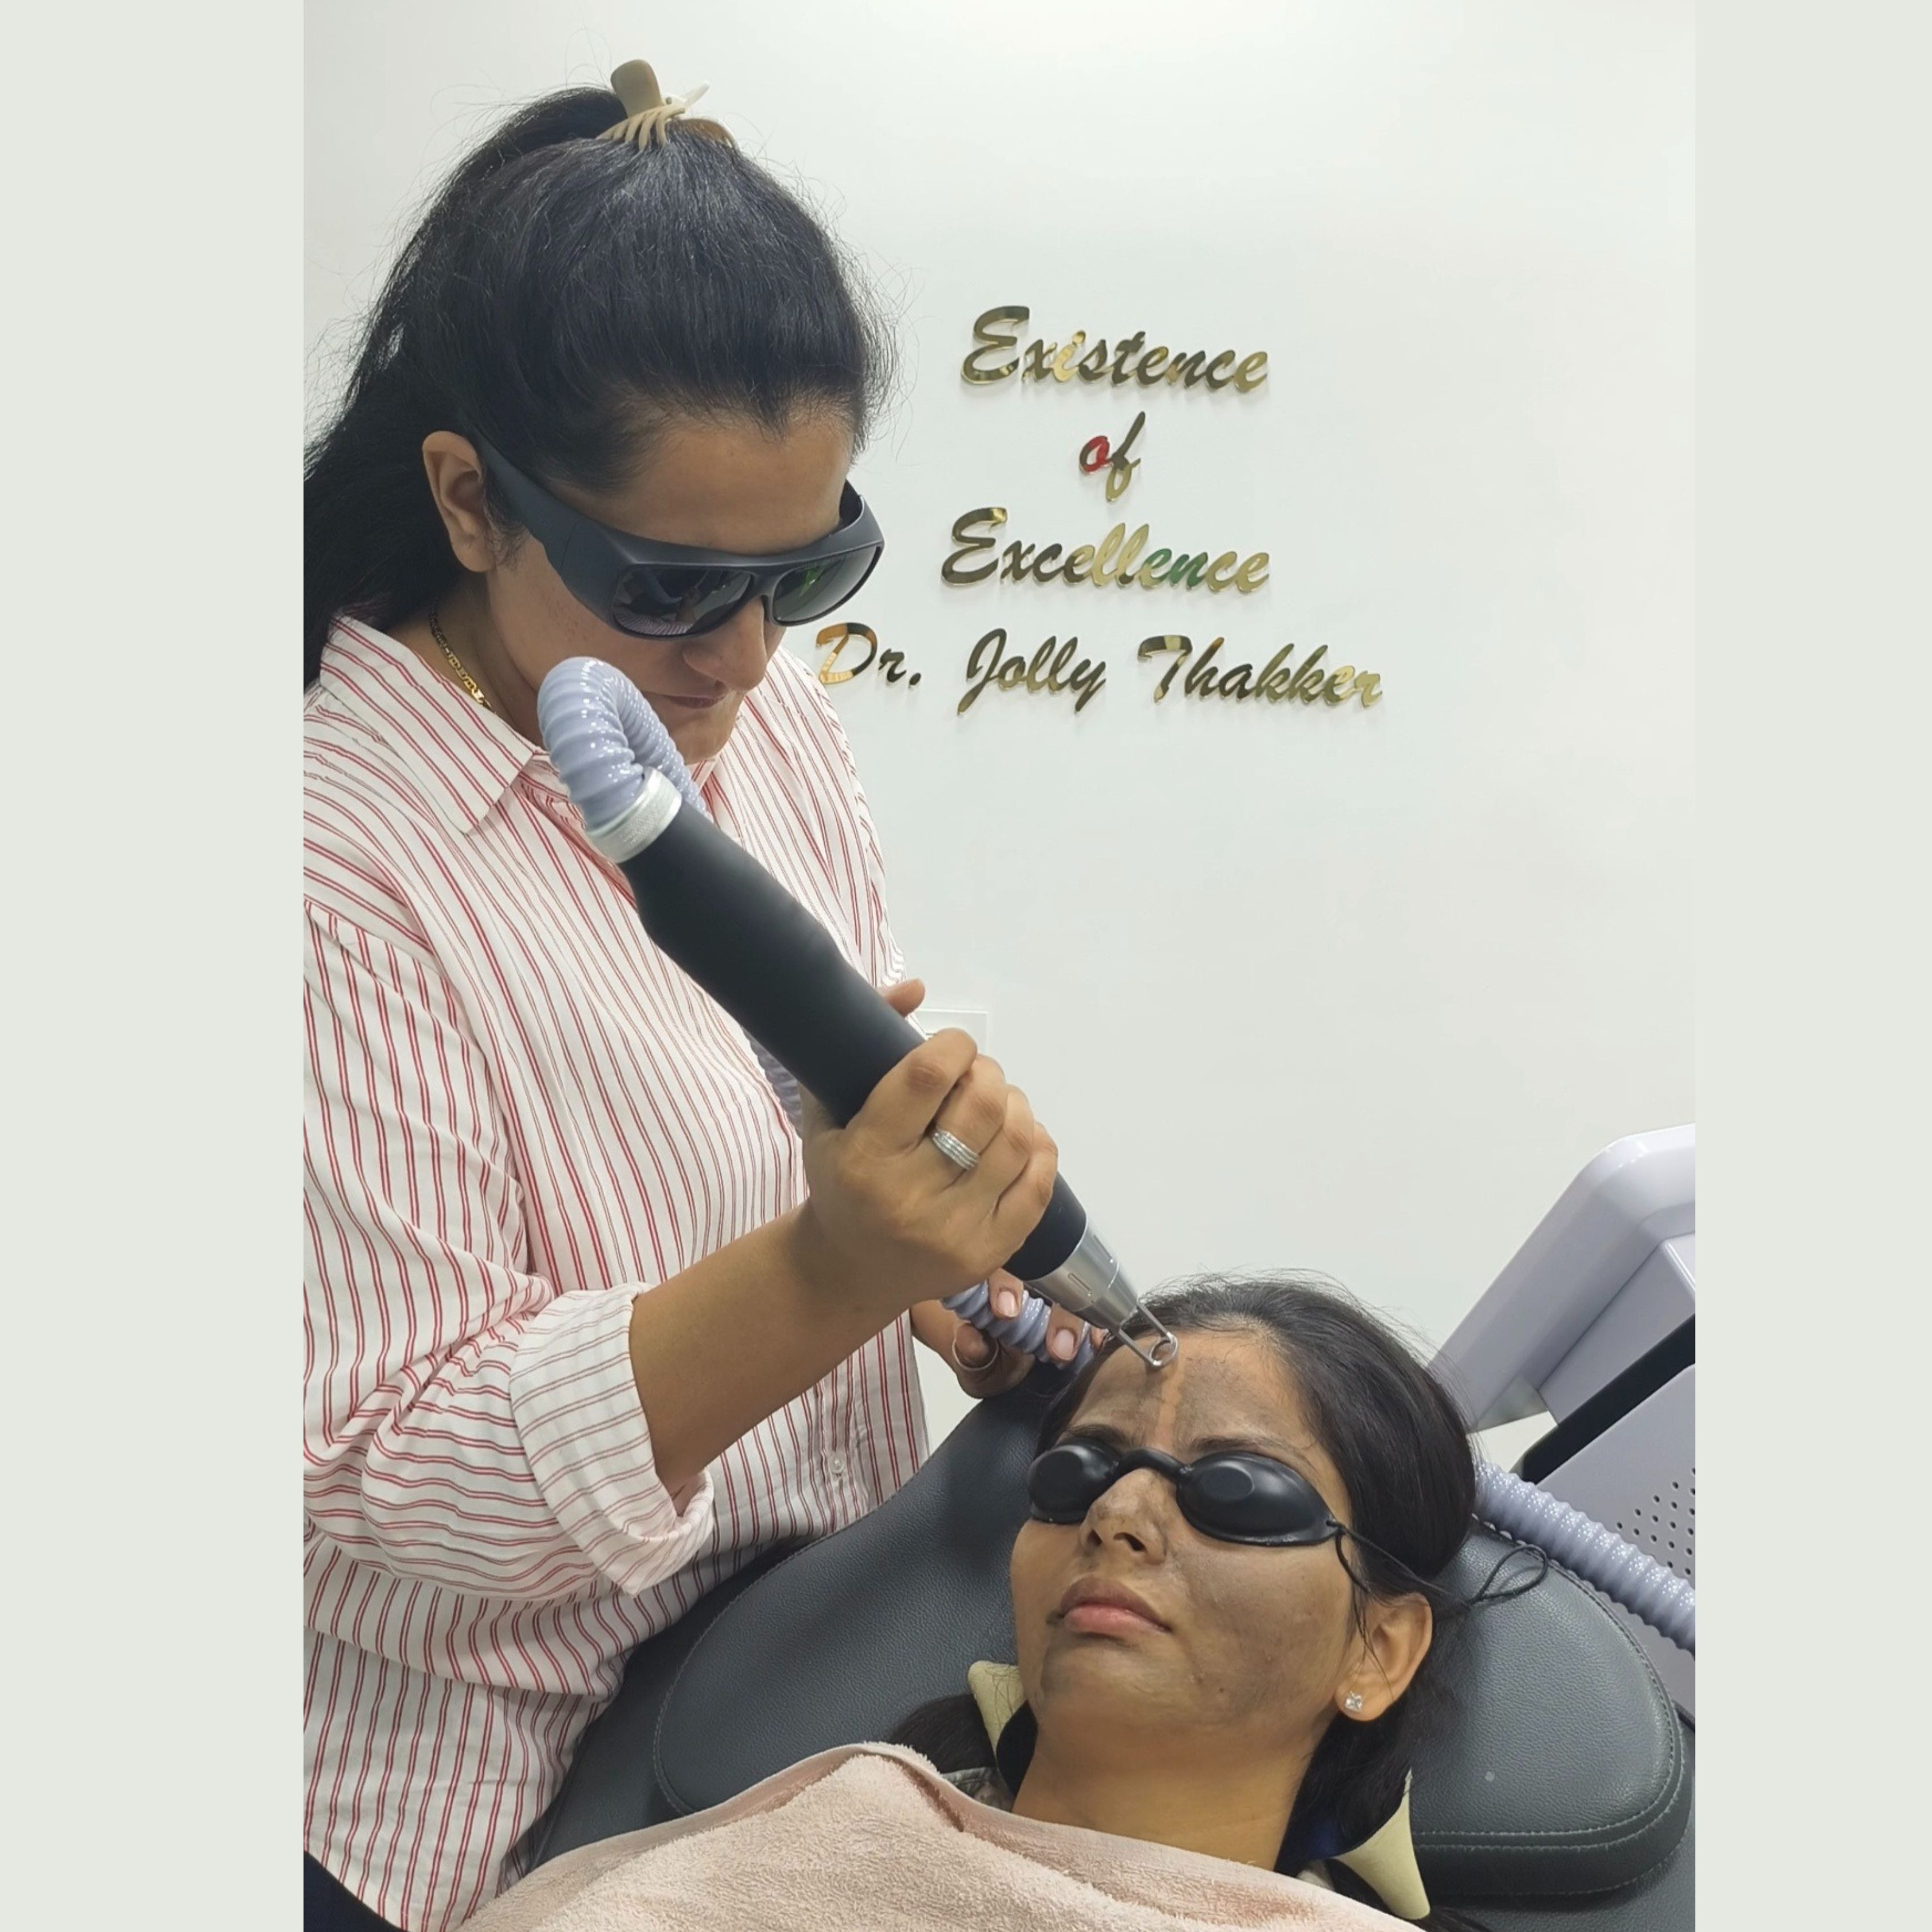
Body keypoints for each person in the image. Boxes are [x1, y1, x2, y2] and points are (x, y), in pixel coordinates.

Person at [304, 62, 1097, 1932]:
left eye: (804, 571)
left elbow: (779, 1114)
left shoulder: (769, 722)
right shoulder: (325, 879)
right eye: (667, 583)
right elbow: (386, 1476)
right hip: (451, 1818)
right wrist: (826, 1269)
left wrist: (931, 1263)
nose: (741, 656)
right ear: (471, 501)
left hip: (767, 1691)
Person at [463, 1278, 1536, 1931]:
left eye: (1236, 1490)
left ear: (1378, 1649)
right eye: (1076, 1472)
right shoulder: (817, 1839)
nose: (1115, 1514)